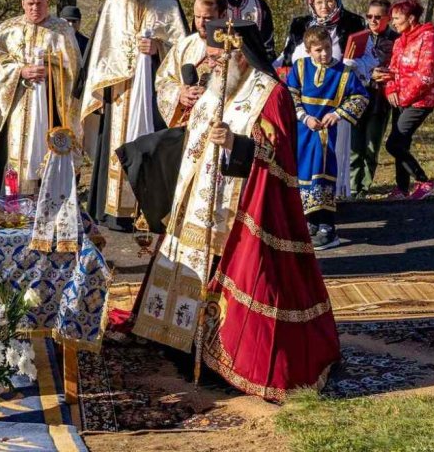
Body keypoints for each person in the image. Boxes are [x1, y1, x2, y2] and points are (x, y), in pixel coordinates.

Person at [130, 20, 339, 401]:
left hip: (238, 209)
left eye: (225, 55)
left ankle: (217, 354)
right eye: (215, 56)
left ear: (244, 55)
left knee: (222, 278)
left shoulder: (270, 93)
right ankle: (178, 342)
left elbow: (279, 153)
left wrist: (237, 144)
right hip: (195, 200)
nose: (217, 63)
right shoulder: (214, 86)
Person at [77, 0, 187, 228]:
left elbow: (183, 49)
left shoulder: (167, 3)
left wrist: (158, 47)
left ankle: (152, 211)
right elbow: (103, 49)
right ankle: (116, 212)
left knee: (153, 144)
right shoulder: (113, 3)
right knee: (116, 144)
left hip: (155, 90)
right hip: (120, 91)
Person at [0, 0, 82, 195]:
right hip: (16, 100)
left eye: (40, 3)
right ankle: (14, 196)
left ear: (48, 3)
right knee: (14, 146)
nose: (35, 8)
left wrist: (52, 69)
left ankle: (50, 194)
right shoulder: (8, 28)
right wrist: (21, 71)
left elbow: (73, 68)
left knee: (48, 144)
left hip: (50, 102)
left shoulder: (62, 29)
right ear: (23, 4)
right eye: (31, 4)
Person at [287, 27, 368, 250]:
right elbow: (290, 94)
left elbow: (360, 96)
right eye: (318, 50)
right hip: (303, 131)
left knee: (323, 175)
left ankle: (327, 227)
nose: (324, 54)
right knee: (302, 176)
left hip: (326, 134)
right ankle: (310, 223)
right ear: (308, 50)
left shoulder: (344, 72)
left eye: (327, 48)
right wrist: (304, 117)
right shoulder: (300, 67)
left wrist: (338, 113)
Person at [381, 0, 434, 200]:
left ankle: (424, 181)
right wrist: (390, 89)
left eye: (397, 18)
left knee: (393, 144)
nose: (393, 22)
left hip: (420, 101)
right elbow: (391, 70)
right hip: (398, 99)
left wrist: (404, 97)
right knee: (402, 143)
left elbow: (426, 75)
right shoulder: (400, 40)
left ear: (411, 18)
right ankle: (401, 188)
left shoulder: (429, 37)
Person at [348, 0, 398, 198]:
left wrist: (386, 74)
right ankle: (352, 187)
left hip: (380, 100)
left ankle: (364, 187)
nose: (373, 20)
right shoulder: (359, 37)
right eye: (369, 16)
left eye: (378, 17)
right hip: (358, 97)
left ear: (388, 18)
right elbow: (349, 65)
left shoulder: (397, 40)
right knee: (354, 146)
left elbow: (401, 68)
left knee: (371, 146)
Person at [155, 0, 226, 130]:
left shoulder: (235, 46)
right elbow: (163, 81)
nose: (200, 23)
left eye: (208, 18)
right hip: (188, 124)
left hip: (221, 124)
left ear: (222, 15)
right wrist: (179, 94)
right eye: (197, 17)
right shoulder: (183, 47)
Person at [279, 0, 366, 67]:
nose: (324, 6)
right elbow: (285, 56)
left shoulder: (354, 25)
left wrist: (353, 65)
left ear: (337, 2)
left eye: (329, 1)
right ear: (312, 5)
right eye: (319, 2)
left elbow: (370, 58)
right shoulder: (299, 27)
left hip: (338, 80)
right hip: (299, 80)